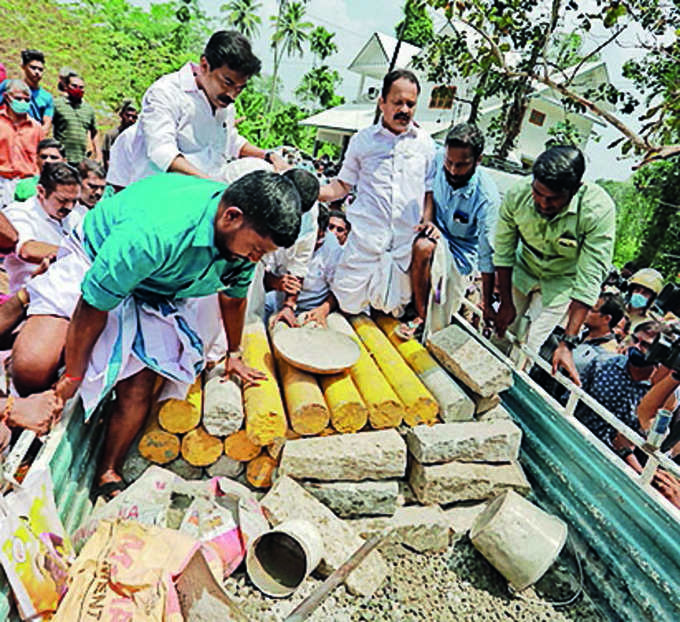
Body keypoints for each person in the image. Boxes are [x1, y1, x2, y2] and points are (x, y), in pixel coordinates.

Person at [13, 169, 315, 499]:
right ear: (231, 217)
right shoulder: (156, 233)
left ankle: (108, 470)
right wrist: (72, 377)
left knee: (139, 385)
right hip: (95, 261)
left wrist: (233, 354)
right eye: (256, 249)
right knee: (32, 365)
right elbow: (93, 304)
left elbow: (233, 297)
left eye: (262, 254)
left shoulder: (239, 243)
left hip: (160, 290)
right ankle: (24, 420)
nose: (256, 260)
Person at [493, 145, 616, 384]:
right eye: (538, 193)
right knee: (502, 332)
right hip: (522, 270)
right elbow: (504, 251)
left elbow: (590, 277)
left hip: (561, 282)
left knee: (532, 346)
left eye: (553, 198)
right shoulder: (517, 195)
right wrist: (506, 302)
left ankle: (510, 391)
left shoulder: (597, 210)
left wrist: (568, 341)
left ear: (575, 190)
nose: (543, 203)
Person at [318, 69, 436, 316]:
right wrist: (311, 192)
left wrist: (427, 219)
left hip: (401, 251)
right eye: (398, 102)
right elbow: (342, 186)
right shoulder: (363, 140)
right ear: (382, 102)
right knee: (348, 306)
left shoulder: (425, 144)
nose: (404, 109)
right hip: (364, 244)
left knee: (393, 312)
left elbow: (428, 191)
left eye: (410, 104)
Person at [107, 30, 282, 188]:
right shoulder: (166, 92)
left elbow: (231, 142)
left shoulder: (225, 106)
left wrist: (268, 155)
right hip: (156, 196)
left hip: (202, 199)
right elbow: (162, 153)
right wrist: (212, 186)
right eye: (227, 83)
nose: (232, 95)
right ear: (205, 65)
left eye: (239, 88)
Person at [397, 122, 500, 340]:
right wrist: (428, 221)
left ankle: (423, 318)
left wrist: (488, 302)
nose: (452, 170)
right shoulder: (436, 159)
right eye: (449, 162)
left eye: (461, 165)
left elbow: (486, 255)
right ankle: (418, 311)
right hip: (432, 230)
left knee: (425, 253)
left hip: (459, 256)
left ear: (478, 160)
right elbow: (427, 190)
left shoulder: (487, 199)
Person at [576, 321, 662, 470]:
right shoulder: (602, 364)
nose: (636, 347)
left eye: (645, 346)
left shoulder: (658, 394)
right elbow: (572, 398)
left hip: (612, 465)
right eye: (635, 340)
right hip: (576, 437)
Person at [3, 162, 83, 294]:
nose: (69, 207)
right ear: (41, 191)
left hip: (69, 292)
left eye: (74, 201)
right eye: (62, 200)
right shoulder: (19, 213)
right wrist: (75, 254)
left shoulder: (74, 216)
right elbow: (27, 250)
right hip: (30, 299)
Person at [265, 205, 344, 327]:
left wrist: (323, 310)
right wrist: (277, 282)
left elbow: (339, 289)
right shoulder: (283, 238)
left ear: (322, 234)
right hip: (277, 301)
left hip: (314, 308)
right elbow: (263, 275)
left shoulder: (333, 249)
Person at [0, 79, 43, 208]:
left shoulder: (36, 128)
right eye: (18, 99)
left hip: (27, 183)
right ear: (7, 97)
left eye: (27, 100)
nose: (23, 103)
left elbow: (42, 156)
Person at [572, 292, 625, 376]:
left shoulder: (608, 354)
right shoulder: (581, 333)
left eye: (592, 310)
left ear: (606, 318)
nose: (586, 311)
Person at [0, 50, 54, 133]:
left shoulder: (47, 97)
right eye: (33, 68)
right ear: (23, 66)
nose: (37, 72)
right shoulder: (8, 86)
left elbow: (46, 125)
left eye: (40, 69)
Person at [52, 74, 99, 165]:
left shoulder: (89, 109)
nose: (78, 89)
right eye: (74, 86)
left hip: (81, 160)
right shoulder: (57, 105)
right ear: (66, 87)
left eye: (81, 87)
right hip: (61, 159)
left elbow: (95, 133)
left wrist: (98, 156)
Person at [101, 99, 138, 170]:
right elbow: (107, 157)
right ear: (121, 115)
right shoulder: (111, 135)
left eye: (134, 117)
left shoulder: (138, 137)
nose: (130, 119)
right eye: (128, 115)